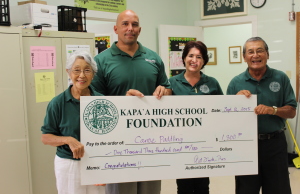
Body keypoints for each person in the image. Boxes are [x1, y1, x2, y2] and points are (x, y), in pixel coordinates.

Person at [91, 10, 172, 194]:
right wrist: (122, 103)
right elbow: (94, 101)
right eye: (125, 24)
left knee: (150, 189)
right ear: (116, 29)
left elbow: (167, 88)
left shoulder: (154, 58)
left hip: (151, 139)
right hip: (117, 141)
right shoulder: (101, 61)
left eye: (134, 24)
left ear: (140, 29)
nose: (130, 28)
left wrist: (164, 90)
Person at [227, 37, 297, 194]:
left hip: (275, 145)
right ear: (244, 57)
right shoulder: (235, 83)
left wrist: (273, 110)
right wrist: (235, 102)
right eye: (250, 52)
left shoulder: (281, 78)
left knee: (278, 189)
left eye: (260, 50)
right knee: (246, 189)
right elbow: (227, 120)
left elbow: (292, 111)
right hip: (245, 145)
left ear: (267, 54)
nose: (255, 55)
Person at [41, 51, 106, 194]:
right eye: (77, 70)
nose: (82, 75)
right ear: (68, 72)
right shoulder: (58, 103)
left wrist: (105, 168)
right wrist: (68, 140)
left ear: (93, 74)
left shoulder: (102, 101)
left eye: (87, 70)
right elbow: (46, 137)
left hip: (96, 162)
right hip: (69, 165)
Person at [169, 41, 223, 194]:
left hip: (205, 144)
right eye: (190, 56)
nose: (194, 60)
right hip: (181, 144)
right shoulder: (171, 83)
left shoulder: (212, 83)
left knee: (202, 186)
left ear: (204, 61)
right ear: (184, 58)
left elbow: (222, 112)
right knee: (184, 187)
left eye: (199, 57)